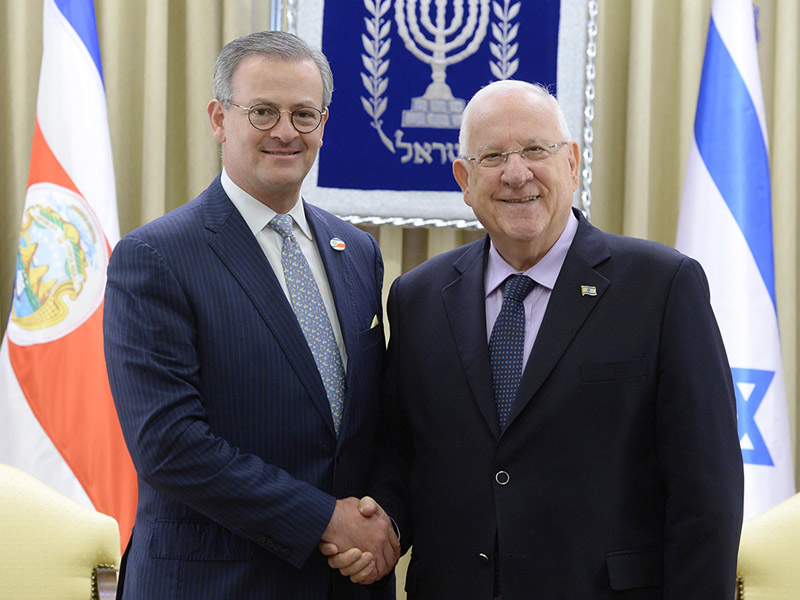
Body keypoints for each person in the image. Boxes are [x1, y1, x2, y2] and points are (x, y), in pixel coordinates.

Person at [326, 80, 744, 598]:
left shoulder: (661, 286)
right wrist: (380, 526)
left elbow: (707, 494)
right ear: (465, 177)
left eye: (534, 150)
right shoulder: (417, 298)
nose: (516, 172)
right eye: (494, 156)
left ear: (571, 162)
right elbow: (401, 455)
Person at [103, 31, 399, 600]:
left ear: (324, 123)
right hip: (215, 581)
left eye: (303, 114)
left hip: (346, 583)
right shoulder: (156, 258)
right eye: (262, 111)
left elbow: (373, 417)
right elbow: (169, 445)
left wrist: (381, 520)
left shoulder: (357, 251)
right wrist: (322, 519)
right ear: (219, 117)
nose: (285, 131)